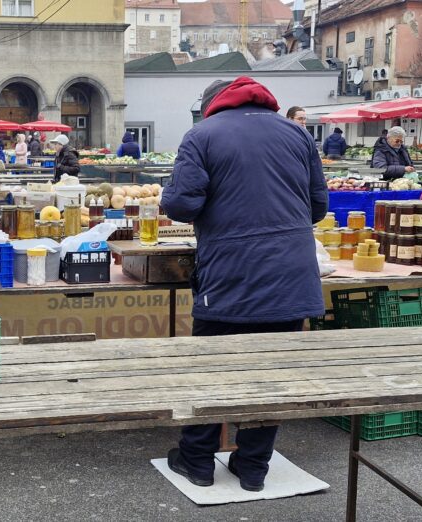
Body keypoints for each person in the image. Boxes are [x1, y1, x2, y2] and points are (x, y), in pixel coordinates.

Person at [160, 77, 327, 493]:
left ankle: (198, 461)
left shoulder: (201, 135)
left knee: (210, 369)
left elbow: (181, 205)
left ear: (210, 106)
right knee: (271, 373)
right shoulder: (297, 134)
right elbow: (318, 208)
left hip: (230, 275)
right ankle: (253, 467)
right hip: (291, 277)